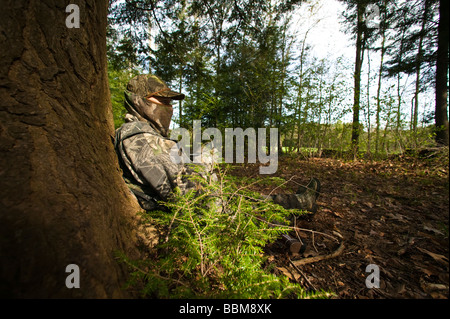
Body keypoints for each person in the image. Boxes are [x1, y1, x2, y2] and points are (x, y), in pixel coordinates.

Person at [114, 74, 321, 214]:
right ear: (139, 102)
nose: (169, 108)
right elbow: (189, 197)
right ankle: (300, 205)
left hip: (209, 205)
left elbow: (175, 170)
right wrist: (205, 160)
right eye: (162, 101)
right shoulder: (138, 139)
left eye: (170, 103)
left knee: (254, 199)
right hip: (205, 215)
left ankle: (301, 202)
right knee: (257, 209)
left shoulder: (144, 136)